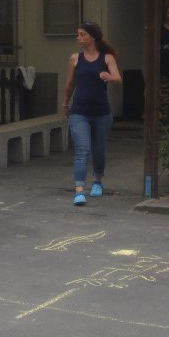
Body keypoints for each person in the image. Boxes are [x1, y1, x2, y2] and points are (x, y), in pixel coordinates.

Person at [62, 21, 122, 206]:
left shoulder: (107, 58)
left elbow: (118, 78)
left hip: (101, 113)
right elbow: (70, 83)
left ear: (92, 37)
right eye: (78, 34)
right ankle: (79, 190)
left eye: (82, 35)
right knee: (82, 149)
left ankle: (97, 181)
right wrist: (65, 102)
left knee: (99, 149)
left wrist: (109, 76)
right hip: (79, 112)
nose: (78, 38)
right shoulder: (75, 58)